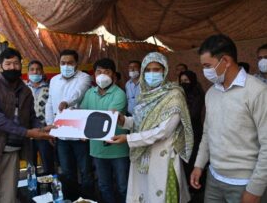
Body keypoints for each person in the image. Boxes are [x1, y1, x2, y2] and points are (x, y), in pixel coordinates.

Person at [0, 48, 54, 203]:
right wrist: (28, 133)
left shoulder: (25, 91)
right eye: (8, 64)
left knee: (8, 197)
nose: (12, 67)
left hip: (11, 152)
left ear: (21, 66)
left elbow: (31, 117)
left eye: (16, 63)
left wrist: (41, 128)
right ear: (1, 67)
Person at [190, 34, 267, 203]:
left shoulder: (257, 91)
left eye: (207, 66)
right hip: (214, 179)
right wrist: (199, 165)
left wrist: (255, 188)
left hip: (245, 183)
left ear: (225, 61)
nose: (204, 71)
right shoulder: (211, 93)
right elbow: (207, 134)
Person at [109, 52, 193, 203]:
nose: (151, 73)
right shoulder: (144, 94)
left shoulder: (174, 95)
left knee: (161, 196)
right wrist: (123, 121)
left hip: (162, 156)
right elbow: (141, 122)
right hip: (142, 155)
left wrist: (128, 138)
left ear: (164, 71)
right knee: (144, 195)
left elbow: (163, 131)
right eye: (147, 70)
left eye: (156, 69)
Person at [45, 49, 93, 199]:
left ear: (76, 63)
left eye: (70, 63)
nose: (66, 66)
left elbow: (78, 93)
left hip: (80, 134)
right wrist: (50, 128)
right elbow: (50, 104)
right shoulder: (54, 80)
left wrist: (67, 102)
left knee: (86, 172)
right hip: (61, 134)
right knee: (67, 172)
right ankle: (71, 199)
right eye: (63, 63)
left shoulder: (84, 77)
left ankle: (88, 199)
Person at [80, 58, 129, 203]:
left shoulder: (119, 94)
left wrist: (86, 131)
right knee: (103, 185)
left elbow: (108, 119)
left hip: (118, 149)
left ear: (113, 75)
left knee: (123, 186)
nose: (102, 75)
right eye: (98, 71)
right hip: (97, 149)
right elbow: (83, 115)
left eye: (106, 72)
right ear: (94, 74)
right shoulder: (89, 93)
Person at [179, 70, 205, 201]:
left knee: (193, 160)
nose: (184, 84)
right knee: (184, 161)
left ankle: (195, 188)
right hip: (182, 133)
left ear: (192, 81)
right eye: (182, 81)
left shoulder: (197, 93)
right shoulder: (180, 95)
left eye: (186, 81)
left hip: (194, 132)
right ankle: (187, 188)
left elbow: (193, 115)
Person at [26, 60, 55, 175]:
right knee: (31, 166)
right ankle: (34, 191)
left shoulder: (50, 88)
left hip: (44, 132)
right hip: (28, 133)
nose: (35, 72)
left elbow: (52, 109)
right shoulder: (23, 89)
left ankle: (50, 190)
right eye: (32, 70)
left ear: (42, 72)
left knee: (48, 164)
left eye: (38, 69)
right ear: (28, 73)